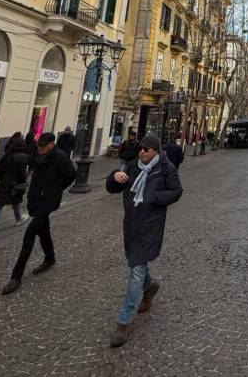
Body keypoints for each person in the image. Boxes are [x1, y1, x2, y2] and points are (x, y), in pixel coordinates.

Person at [105, 133, 183, 347]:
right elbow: (112, 187)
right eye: (140, 148)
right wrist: (114, 177)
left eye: (146, 149)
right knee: (135, 263)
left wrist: (154, 198)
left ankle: (124, 321)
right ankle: (149, 288)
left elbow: (177, 191)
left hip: (151, 225)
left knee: (136, 269)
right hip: (131, 223)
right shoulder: (132, 167)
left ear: (155, 151)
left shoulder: (166, 168)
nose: (142, 152)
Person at [1, 132, 76, 295]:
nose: (40, 149)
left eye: (43, 146)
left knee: (30, 233)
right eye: (39, 146)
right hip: (35, 197)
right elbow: (31, 167)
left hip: (49, 199)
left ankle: (16, 276)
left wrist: (57, 189)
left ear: (51, 145)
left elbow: (71, 175)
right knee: (43, 230)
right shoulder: (36, 154)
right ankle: (50, 257)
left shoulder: (60, 157)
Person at [0, 133, 29, 233]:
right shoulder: (24, 157)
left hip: (4, 182)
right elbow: (22, 173)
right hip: (16, 183)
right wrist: (22, 181)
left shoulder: (8, 156)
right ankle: (18, 219)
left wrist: (3, 179)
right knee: (15, 201)